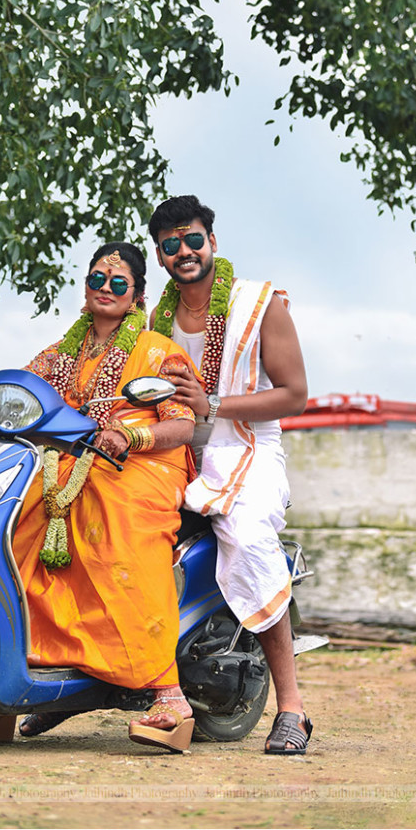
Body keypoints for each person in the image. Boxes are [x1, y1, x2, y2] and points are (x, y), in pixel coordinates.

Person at [0, 242, 198, 753]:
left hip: (139, 464)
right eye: (98, 278)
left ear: (136, 295)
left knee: (115, 527)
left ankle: (169, 693)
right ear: (86, 286)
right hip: (66, 458)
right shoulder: (61, 353)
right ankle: (0, 695)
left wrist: (128, 437)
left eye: (119, 283)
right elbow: (16, 392)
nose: (106, 288)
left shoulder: (159, 350)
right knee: (11, 524)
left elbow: (182, 425)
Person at [148, 195, 312, 755]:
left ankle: (291, 708)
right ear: (161, 256)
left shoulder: (261, 304)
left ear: (212, 242)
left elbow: (295, 396)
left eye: (192, 239)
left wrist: (214, 406)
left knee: (245, 539)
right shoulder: (157, 319)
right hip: (181, 451)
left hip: (250, 447)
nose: (184, 251)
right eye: (171, 245)